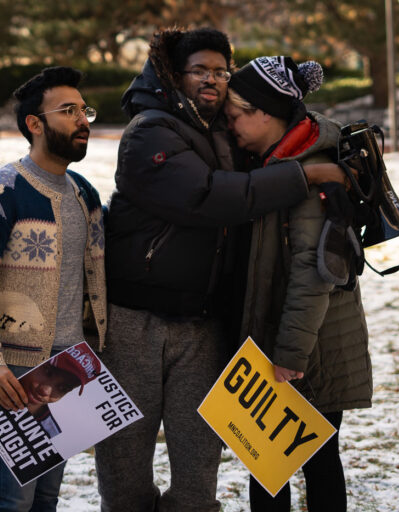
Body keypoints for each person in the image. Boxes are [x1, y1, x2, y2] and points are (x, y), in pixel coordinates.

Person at [94, 27, 348, 512]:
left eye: (220, 70)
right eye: (199, 70)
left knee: (198, 480)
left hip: (205, 325)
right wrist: (304, 174)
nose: (212, 80)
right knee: (125, 472)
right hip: (136, 321)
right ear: (174, 74)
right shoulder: (150, 130)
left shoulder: (227, 135)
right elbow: (207, 196)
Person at [0, 66, 107, 512]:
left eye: (85, 110)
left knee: (47, 498)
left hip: (69, 368)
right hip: (16, 372)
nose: (83, 121)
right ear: (34, 124)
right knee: (11, 500)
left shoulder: (86, 195)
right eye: (68, 110)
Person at [224, 55, 372, 512]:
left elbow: (314, 272)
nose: (230, 126)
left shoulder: (311, 170)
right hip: (295, 339)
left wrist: (289, 355)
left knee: (306, 460)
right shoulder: (281, 159)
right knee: (270, 461)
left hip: (312, 348)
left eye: (234, 116)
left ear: (264, 113)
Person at [18, 343, 102, 438]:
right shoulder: (0, 370)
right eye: (47, 372)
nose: (45, 391)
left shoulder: (50, 435)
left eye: (63, 388)